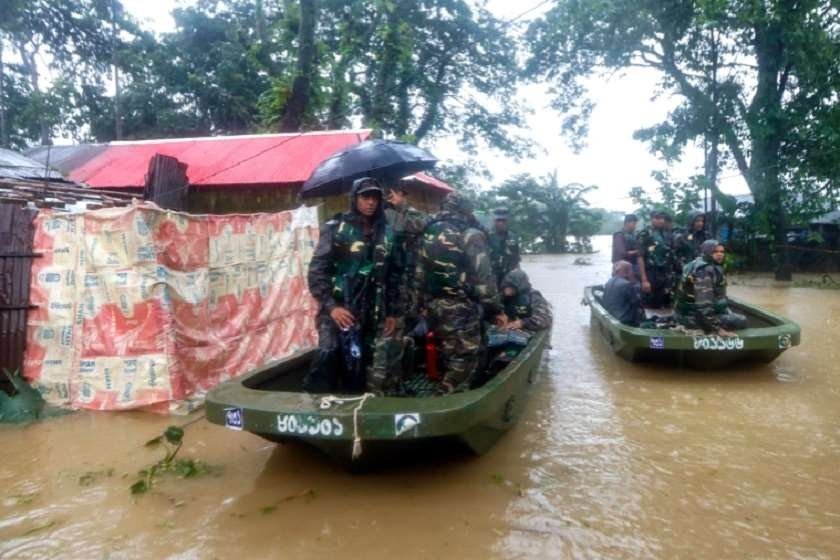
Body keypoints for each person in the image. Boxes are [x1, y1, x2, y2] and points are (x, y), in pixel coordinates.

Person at [304, 177, 402, 394]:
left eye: (375, 197)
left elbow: (394, 275)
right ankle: (316, 410)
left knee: (361, 368)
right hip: (340, 309)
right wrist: (331, 307)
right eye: (365, 197)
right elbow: (317, 272)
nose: (370, 202)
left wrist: (392, 312)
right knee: (328, 355)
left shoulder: (387, 233)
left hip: (372, 313)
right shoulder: (336, 228)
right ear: (355, 198)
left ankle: (355, 413)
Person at [415, 191, 507, 393]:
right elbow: (485, 280)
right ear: (466, 209)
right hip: (461, 306)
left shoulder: (429, 231)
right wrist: (496, 310)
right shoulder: (471, 234)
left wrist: (420, 304)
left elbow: (419, 271)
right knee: (464, 356)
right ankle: (448, 398)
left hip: (433, 304)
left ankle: (447, 387)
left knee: (448, 349)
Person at [674, 240, 747, 334]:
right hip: (692, 317)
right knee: (741, 320)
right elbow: (703, 306)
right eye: (715, 252)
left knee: (728, 310)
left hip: (687, 313)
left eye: (722, 252)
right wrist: (716, 329)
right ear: (707, 252)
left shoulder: (698, 262)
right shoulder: (704, 272)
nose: (720, 254)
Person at [636, 210, 676, 308]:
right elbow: (640, 257)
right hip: (651, 274)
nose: (661, 221)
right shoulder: (644, 234)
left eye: (662, 218)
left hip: (666, 274)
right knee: (651, 304)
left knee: (667, 303)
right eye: (657, 218)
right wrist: (644, 280)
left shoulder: (666, 233)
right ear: (651, 219)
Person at [602, 260, 645, 327]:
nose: (633, 272)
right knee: (639, 310)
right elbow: (637, 303)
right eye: (631, 270)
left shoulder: (609, 282)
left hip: (610, 314)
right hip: (622, 319)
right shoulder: (627, 284)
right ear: (627, 272)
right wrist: (635, 285)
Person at [488, 207, 521, 288]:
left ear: (507, 221)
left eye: (503, 220)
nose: (501, 223)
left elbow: (516, 260)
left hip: (508, 277)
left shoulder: (513, 237)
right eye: (498, 220)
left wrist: (518, 276)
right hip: (491, 277)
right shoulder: (487, 236)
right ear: (494, 221)